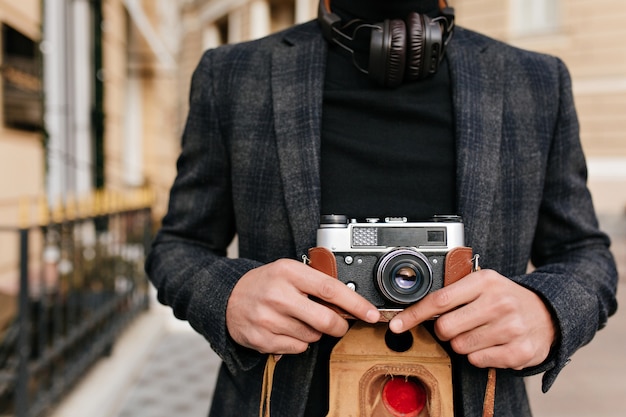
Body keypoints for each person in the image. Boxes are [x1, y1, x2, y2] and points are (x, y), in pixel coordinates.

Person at [145, 0, 618, 415]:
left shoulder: (536, 81)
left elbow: (586, 253)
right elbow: (178, 246)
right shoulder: (232, 75)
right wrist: (230, 296)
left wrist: (546, 311)